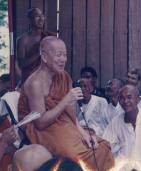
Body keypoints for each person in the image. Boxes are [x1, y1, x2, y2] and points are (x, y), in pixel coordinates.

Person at [18, 36, 114, 171]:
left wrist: (84, 134)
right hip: (42, 130)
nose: (63, 59)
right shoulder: (35, 83)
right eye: (58, 55)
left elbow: (69, 112)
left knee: (102, 147)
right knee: (71, 156)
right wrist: (66, 100)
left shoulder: (63, 76)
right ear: (44, 57)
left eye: (65, 55)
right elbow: (40, 123)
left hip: (63, 123)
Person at [102, 85, 141, 170]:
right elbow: (106, 145)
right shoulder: (116, 121)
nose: (125, 101)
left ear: (138, 99)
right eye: (122, 98)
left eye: (129, 97)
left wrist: (138, 167)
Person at [16, 7, 57, 85]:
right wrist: (38, 52)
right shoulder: (23, 39)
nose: (41, 19)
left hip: (46, 79)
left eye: (42, 16)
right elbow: (21, 65)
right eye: (37, 16)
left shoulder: (48, 37)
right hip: (30, 81)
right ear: (29, 20)